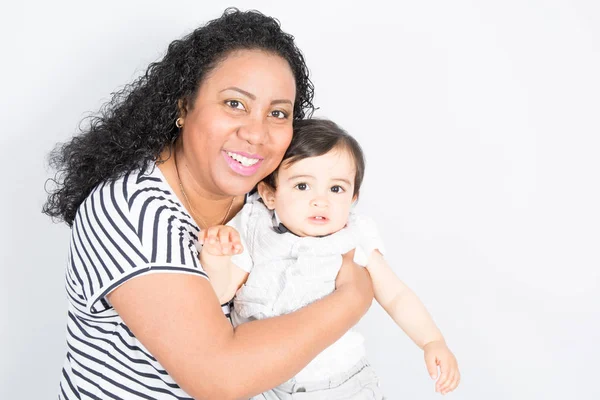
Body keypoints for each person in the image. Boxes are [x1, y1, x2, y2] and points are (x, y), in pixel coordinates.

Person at [43, 8, 374, 400]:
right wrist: (352, 299)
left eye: (278, 113)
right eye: (234, 104)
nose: (256, 133)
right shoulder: (131, 209)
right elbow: (221, 378)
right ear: (184, 106)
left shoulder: (266, 195)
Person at [199, 118, 461, 399]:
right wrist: (216, 257)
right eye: (302, 186)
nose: (320, 200)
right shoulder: (254, 229)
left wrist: (432, 340)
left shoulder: (353, 237)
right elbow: (221, 292)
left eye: (336, 189)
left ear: (352, 198)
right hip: (265, 385)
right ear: (270, 194)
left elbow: (396, 295)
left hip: (340, 383)